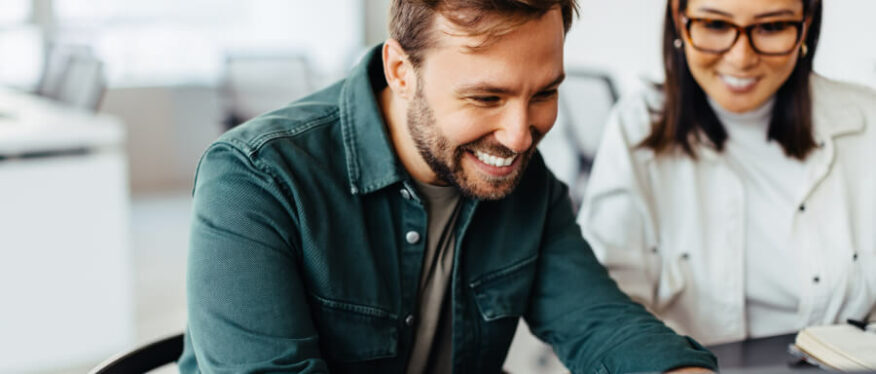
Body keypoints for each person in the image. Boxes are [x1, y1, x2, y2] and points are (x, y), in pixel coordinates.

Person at [178, 1, 719, 373]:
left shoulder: (525, 183)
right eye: (486, 98)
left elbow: (599, 323)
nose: (519, 136)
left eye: (544, 93)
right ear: (401, 71)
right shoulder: (255, 180)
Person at [578, 0, 876, 346]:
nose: (741, 58)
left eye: (771, 27)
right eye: (716, 25)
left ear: (805, 25)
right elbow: (605, 308)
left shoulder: (868, 121)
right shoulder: (635, 126)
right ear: (679, 17)